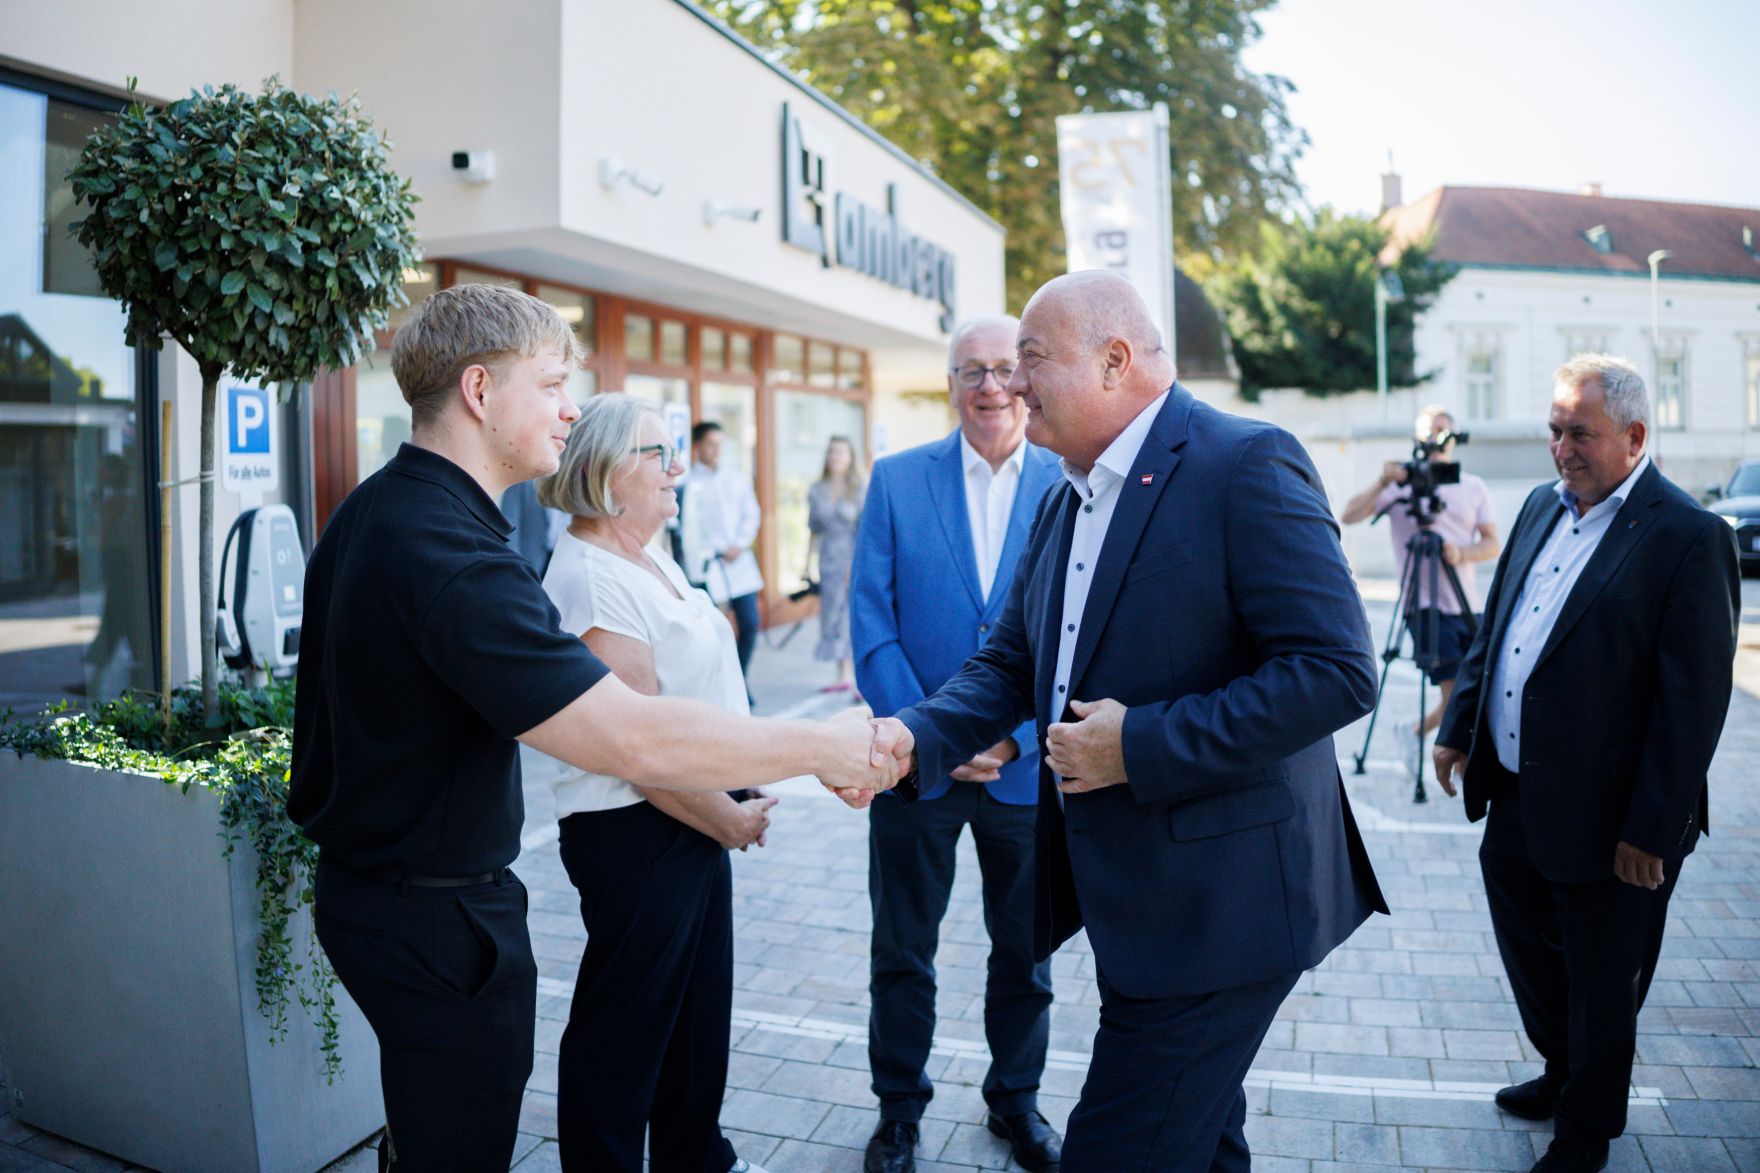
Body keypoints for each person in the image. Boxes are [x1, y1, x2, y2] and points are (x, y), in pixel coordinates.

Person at [289, 284, 894, 1171]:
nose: (571, 409)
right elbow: (631, 736)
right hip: (433, 920)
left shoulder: (384, 510)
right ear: (479, 391)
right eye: (552, 383)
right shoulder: (447, 552)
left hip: (394, 900)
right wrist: (822, 744)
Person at [867, 271, 1387, 1172]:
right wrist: (914, 738)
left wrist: (1137, 744)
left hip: (1223, 908)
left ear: (1114, 361)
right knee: (1203, 1141)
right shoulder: (1071, 492)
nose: (1013, 385)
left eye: (1030, 359)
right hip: (1145, 908)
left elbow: (1336, 671)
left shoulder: (1245, 462)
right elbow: (1013, 663)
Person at [1432, 354, 1739, 1173]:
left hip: (1616, 817)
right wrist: (1459, 727)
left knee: (1605, 979)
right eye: (1554, 429)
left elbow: (1694, 701)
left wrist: (1654, 828)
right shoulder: (1539, 507)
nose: (1561, 448)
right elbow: (1497, 628)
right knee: (1526, 942)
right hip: (1519, 791)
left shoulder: (1688, 536)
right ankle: (1562, 1066)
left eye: (1580, 433)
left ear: (1634, 436)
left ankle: (1586, 1129)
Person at [532, 394, 775, 1173]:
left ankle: (695, 1157)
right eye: (657, 453)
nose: (677, 466)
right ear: (606, 473)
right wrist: (727, 819)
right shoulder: (593, 579)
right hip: (640, 828)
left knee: (697, 1019)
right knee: (625, 1032)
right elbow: (637, 749)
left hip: (692, 815)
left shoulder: (647, 550)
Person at [851, 316, 1064, 1173]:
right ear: (949, 383)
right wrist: (929, 739)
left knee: (1027, 953)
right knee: (902, 951)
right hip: (916, 772)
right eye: (970, 370)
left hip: (1024, 770)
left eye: (1005, 369)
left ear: (1028, 379)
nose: (988, 386)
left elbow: (1077, 629)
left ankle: (1016, 1099)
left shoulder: (1069, 481)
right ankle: (898, 1110)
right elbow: (870, 620)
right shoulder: (898, 480)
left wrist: (1011, 737)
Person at [1338, 405, 1500, 765]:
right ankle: (1459, 763)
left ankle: (1415, 731)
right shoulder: (1400, 485)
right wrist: (1384, 481)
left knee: (1476, 689)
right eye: (1429, 431)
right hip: (1423, 605)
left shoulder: (1472, 486)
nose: (1435, 438)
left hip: (1467, 604)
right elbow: (1348, 515)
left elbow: (1492, 543)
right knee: (1455, 690)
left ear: (1454, 438)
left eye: (1443, 430)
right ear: (1416, 438)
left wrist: (1460, 553)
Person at [682, 420, 764, 681]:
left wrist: (739, 543)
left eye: (720, 445)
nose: (716, 450)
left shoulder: (735, 477)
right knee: (715, 628)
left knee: (749, 623)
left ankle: (740, 678)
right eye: (710, 444)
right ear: (698, 446)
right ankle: (721, 681)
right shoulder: (689, 482)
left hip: (739, 561)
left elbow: (751, 514)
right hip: (709, 566)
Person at [807, 435, 864, 691]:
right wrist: (805, 563)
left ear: (850, 457)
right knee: (830, 615)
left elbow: (866, 531)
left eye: (841, 452)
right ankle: (842, 674)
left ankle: (854, 676)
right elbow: (814, 530)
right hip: (827, 560)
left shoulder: (860, 488)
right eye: (832, 452)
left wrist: (858, 564)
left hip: (852, 557)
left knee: (850, 616)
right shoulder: (817, 489)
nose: (835, 458)